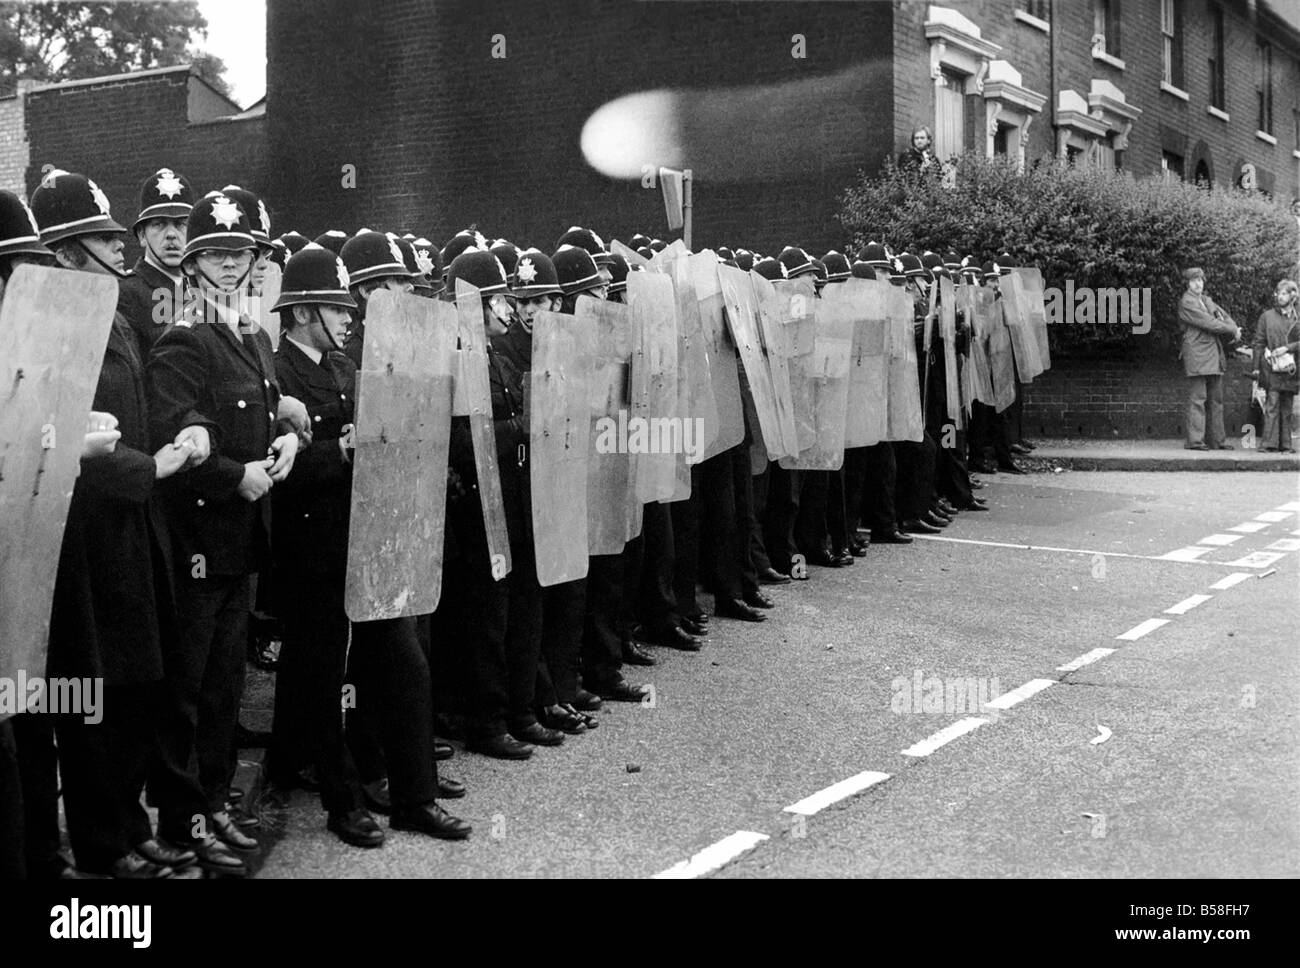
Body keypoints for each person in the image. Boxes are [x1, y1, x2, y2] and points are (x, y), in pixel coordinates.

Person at [23, 170, 208, 879]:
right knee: (92, 695)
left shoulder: (119, 317)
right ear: (69, 253)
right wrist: (146, 468)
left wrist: (187, 430)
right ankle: (102, 843)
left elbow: (155, 399)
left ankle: (130, 827)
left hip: (136, 531)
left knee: (137, 685)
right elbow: (50, 436)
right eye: (103, 239)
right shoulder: (44, 326)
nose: (119, 250)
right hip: (83, 539)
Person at [267, 243, 470, 843]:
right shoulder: (277, 375)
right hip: (313, 550)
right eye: (336, 307)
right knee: (326, 680)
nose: (349, 316)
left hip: (370, 540)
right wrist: (342, 451)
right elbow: (280, 468)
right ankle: (343, 801)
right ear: (303, 312)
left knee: (404, 666)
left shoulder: (337, 366)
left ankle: (415, 797)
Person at [146, 191, 301, 875]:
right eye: (218, 253)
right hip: (200, 541)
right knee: (187, 688)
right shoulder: (183, 335)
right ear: (198, 263)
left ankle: (214, 808)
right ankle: (183, 825)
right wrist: (233, 476)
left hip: (243, 543)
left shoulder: (255, 337)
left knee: (222, 690)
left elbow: (263, 418)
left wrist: (289, 440)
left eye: (244, 253)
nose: (233, 265)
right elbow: (171, 431)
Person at [116, 168, 193, 359]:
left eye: (181, 224)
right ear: (142, 235)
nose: (171, 234)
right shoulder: (126, 294)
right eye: (159, 224)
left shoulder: (203, 290)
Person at [1177, 267, 1240, 451]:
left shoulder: (1206, 300)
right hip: (1197, 353)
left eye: (1201, 280)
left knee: (1216, 399)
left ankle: (1217, 441)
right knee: (1198, 398)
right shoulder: (1186, 302)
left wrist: (1233, 327)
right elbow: (1210, 323)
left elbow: (1223, 316)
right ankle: (1195, 441)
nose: (1199, 283)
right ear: (1187, 284)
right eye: (1194, 280)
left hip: (1213, 353)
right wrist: (1232, 330)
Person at [1252, 278, 1300, 453]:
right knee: (1271, 404)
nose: (1280, 296)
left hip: (1291, 368)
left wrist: (1287, 348)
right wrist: (1256, 366)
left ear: (1293, 296)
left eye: (1285, 293)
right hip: (1271, 367)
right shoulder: (1267, 316)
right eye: (1279, 293)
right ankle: (1269, 443)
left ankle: (1285, 444)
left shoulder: (1297, 317)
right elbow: (1258, 341)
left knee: (1286, 407)